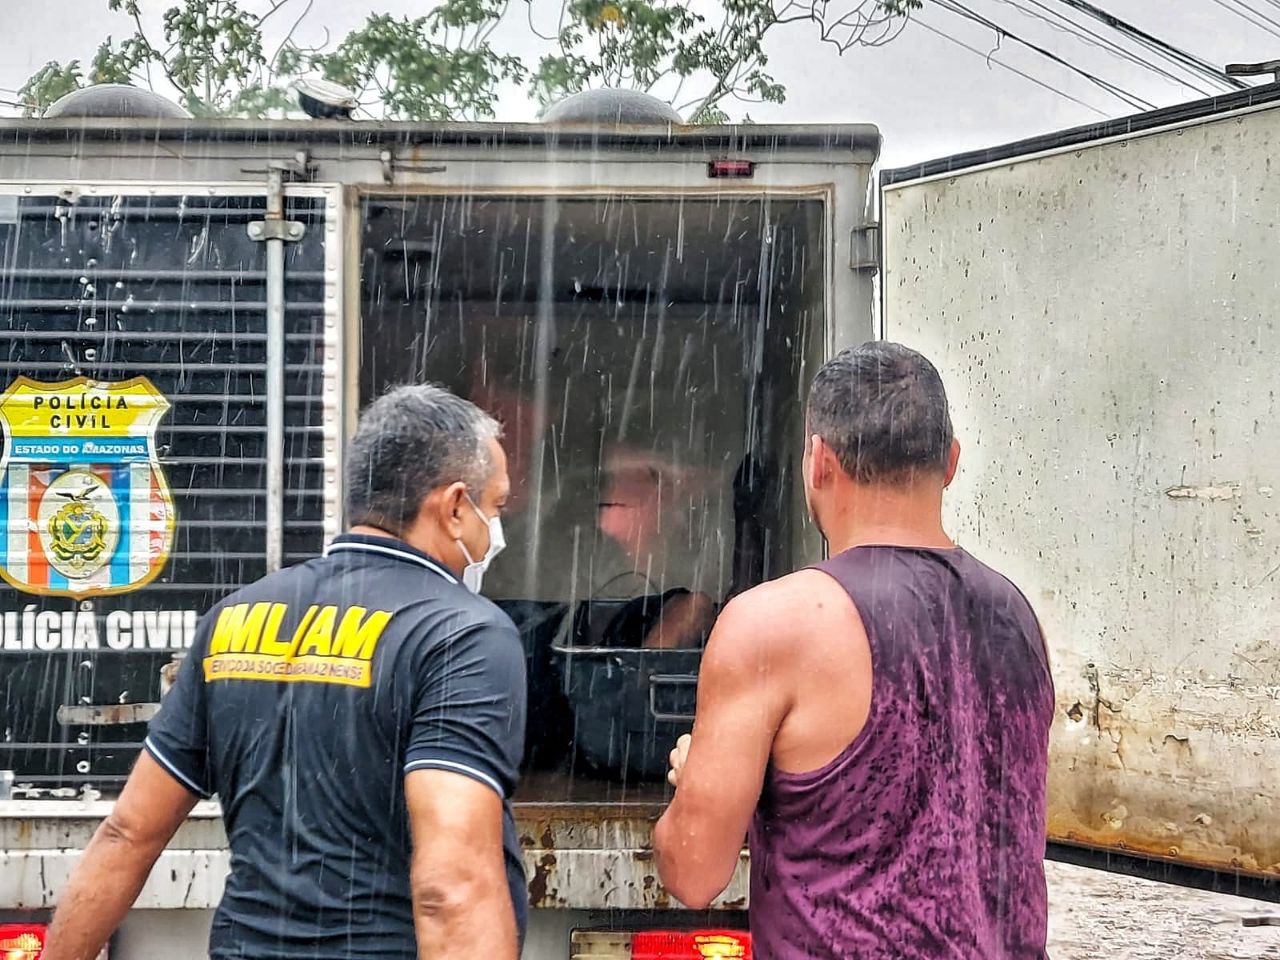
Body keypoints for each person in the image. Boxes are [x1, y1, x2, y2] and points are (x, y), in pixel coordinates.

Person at [43, 384, 528, 960]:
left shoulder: (235, 617)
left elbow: (127, 835)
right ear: (452, 507)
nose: (494, 531)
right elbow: (453, 887)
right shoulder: (462, 635)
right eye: (493, 508)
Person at [654, 342, 1054, 959]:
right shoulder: (1017, 615)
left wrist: (698, 782)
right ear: (949, 461)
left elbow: (692, 873)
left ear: (817, 460)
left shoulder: (775, 623)